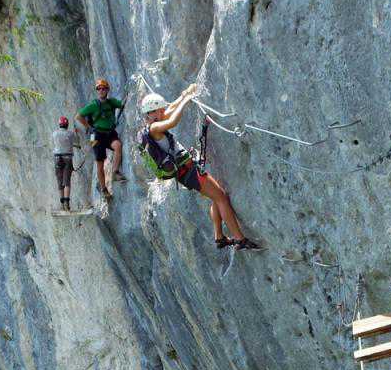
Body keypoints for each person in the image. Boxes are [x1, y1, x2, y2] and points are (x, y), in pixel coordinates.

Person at [138, 86, 258, 249]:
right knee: (221, 197)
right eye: (159, 110)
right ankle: (240, 239)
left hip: (185, 172)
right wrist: (187, 100)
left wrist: (184, 95)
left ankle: (220, 237)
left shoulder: (151, 125)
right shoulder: (154, 128)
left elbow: (170, 109)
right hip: (189, 172)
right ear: (151, 113)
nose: (162, 112)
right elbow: (172, 121)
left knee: (216, 196)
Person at [77, 78, 127, 198]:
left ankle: (115, 172)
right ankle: (104, 189)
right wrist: (89, 127)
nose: (101, 90)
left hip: (109, 133)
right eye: (99, 88)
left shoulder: (112, 102)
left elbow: (123, 104)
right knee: (100, 163)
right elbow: (78, 116)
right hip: (96, 135)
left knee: (118, 146)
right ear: (97, 91)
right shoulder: (93, 105)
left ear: (107, 90)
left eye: (104, 88)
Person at [52, 116, 81, 211]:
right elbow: (77, 143)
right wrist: (76, 133)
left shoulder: (55, 134)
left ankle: (61, 203)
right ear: (67, 125)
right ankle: (66, 203)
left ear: (59, 124)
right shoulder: (71, 134)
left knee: (60, 181)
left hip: (57, 158)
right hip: (67, 158)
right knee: (67, 181)